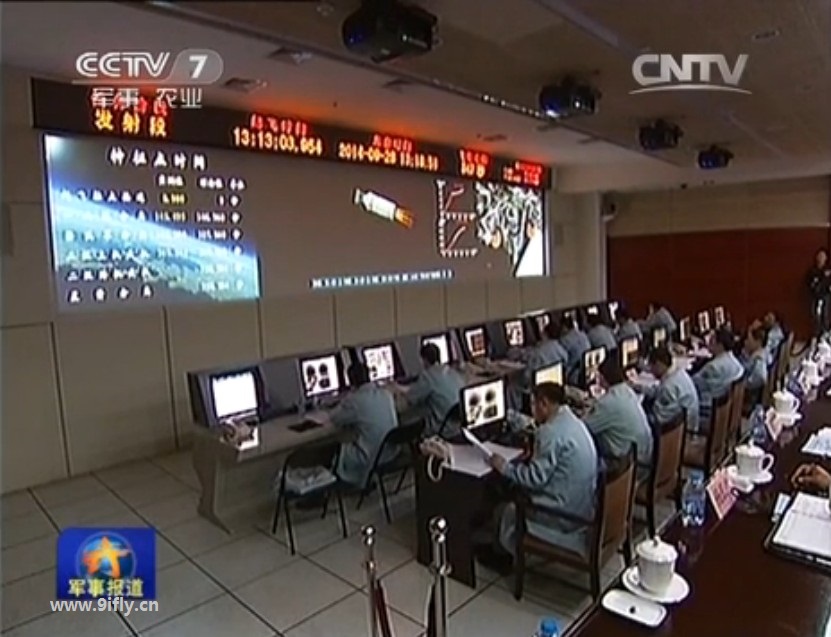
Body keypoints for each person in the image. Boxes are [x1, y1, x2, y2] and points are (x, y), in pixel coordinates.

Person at [485, 382, 598, 566]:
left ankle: (506, 558)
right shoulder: (573, 422)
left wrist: (504, 467)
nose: (532, 410)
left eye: (533, 404)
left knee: (504, 507)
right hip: (582, 508)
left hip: (561, 516)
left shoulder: (550, 432)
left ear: (543, 403)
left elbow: (534, 479)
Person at [329, 362, 399, 487]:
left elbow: (335, 419)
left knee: (335, 449)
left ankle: (349, 486)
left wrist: (345, 399)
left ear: (351, 381)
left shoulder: (355, 400)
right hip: (390, 452)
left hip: (371, 456)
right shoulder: (386, 394)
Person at [584, 356, 653, 468]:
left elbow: (585, 427)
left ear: (602, 378)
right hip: (643, 454)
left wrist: (583, 412)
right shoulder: (627, 391)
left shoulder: (607, 403)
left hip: (629, 465)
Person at [401, 343, 464, 436]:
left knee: (406, 418)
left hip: (443, 429)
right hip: (459, 426)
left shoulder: (428, 376)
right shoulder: (451, 371)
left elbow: (411, 397)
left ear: (425, 360)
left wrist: (397, 388)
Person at [692, 328, 744, 430]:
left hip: (708, 411)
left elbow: (692, 385)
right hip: (725, 412)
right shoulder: (736, 364)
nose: (708, 343)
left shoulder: (713, 367)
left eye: (712, 340)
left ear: (720, 345)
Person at [639, 346, 699, 432]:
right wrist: (641, 388)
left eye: (651, 366)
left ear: (659, 364)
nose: (651, 371)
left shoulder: (669, 385)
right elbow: (659, 390)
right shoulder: (678, 373)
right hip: (686, 426)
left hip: (682, 432)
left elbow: (658, 417)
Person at [806, 248, 831, 336]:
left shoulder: (828, 271)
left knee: (826, 316)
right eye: (819, 256)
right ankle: (816, 334)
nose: (821, 258)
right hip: (815, 297)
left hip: (826, 297)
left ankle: (826, 333)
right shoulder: (812, 271)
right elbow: (809, 284)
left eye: (823, 256)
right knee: (815, 317)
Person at [560, 315, 591, 382]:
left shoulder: (565, 340)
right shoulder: (582, 334)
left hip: (575, 371)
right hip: (588, 368)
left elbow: (563, 358)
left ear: (564, 327)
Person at [740, 327, 768, 395]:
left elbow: (761, 378)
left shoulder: (759, 359)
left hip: (749, 394)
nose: (746, 342)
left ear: (758, 342)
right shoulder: (759, 352)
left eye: (749, 339)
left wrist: (745, 384)